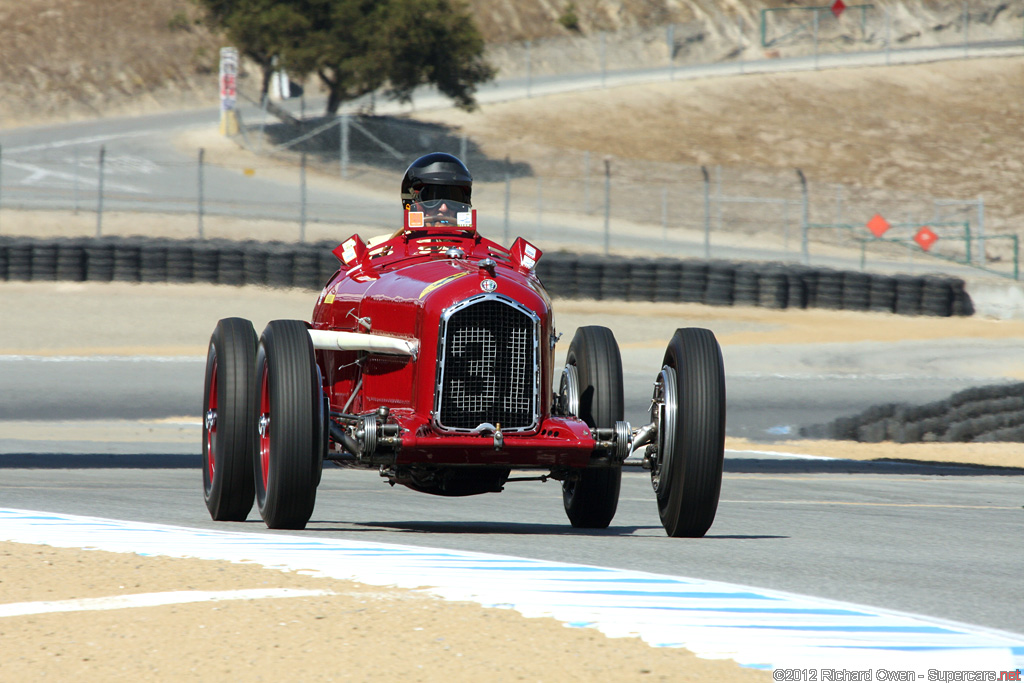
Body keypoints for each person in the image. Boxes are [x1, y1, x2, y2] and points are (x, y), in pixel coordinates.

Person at [400, 152, 473, 228]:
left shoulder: (476, 240)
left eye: (454, 199)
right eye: (432, 198)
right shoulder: (390, 240)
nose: (444, 209)